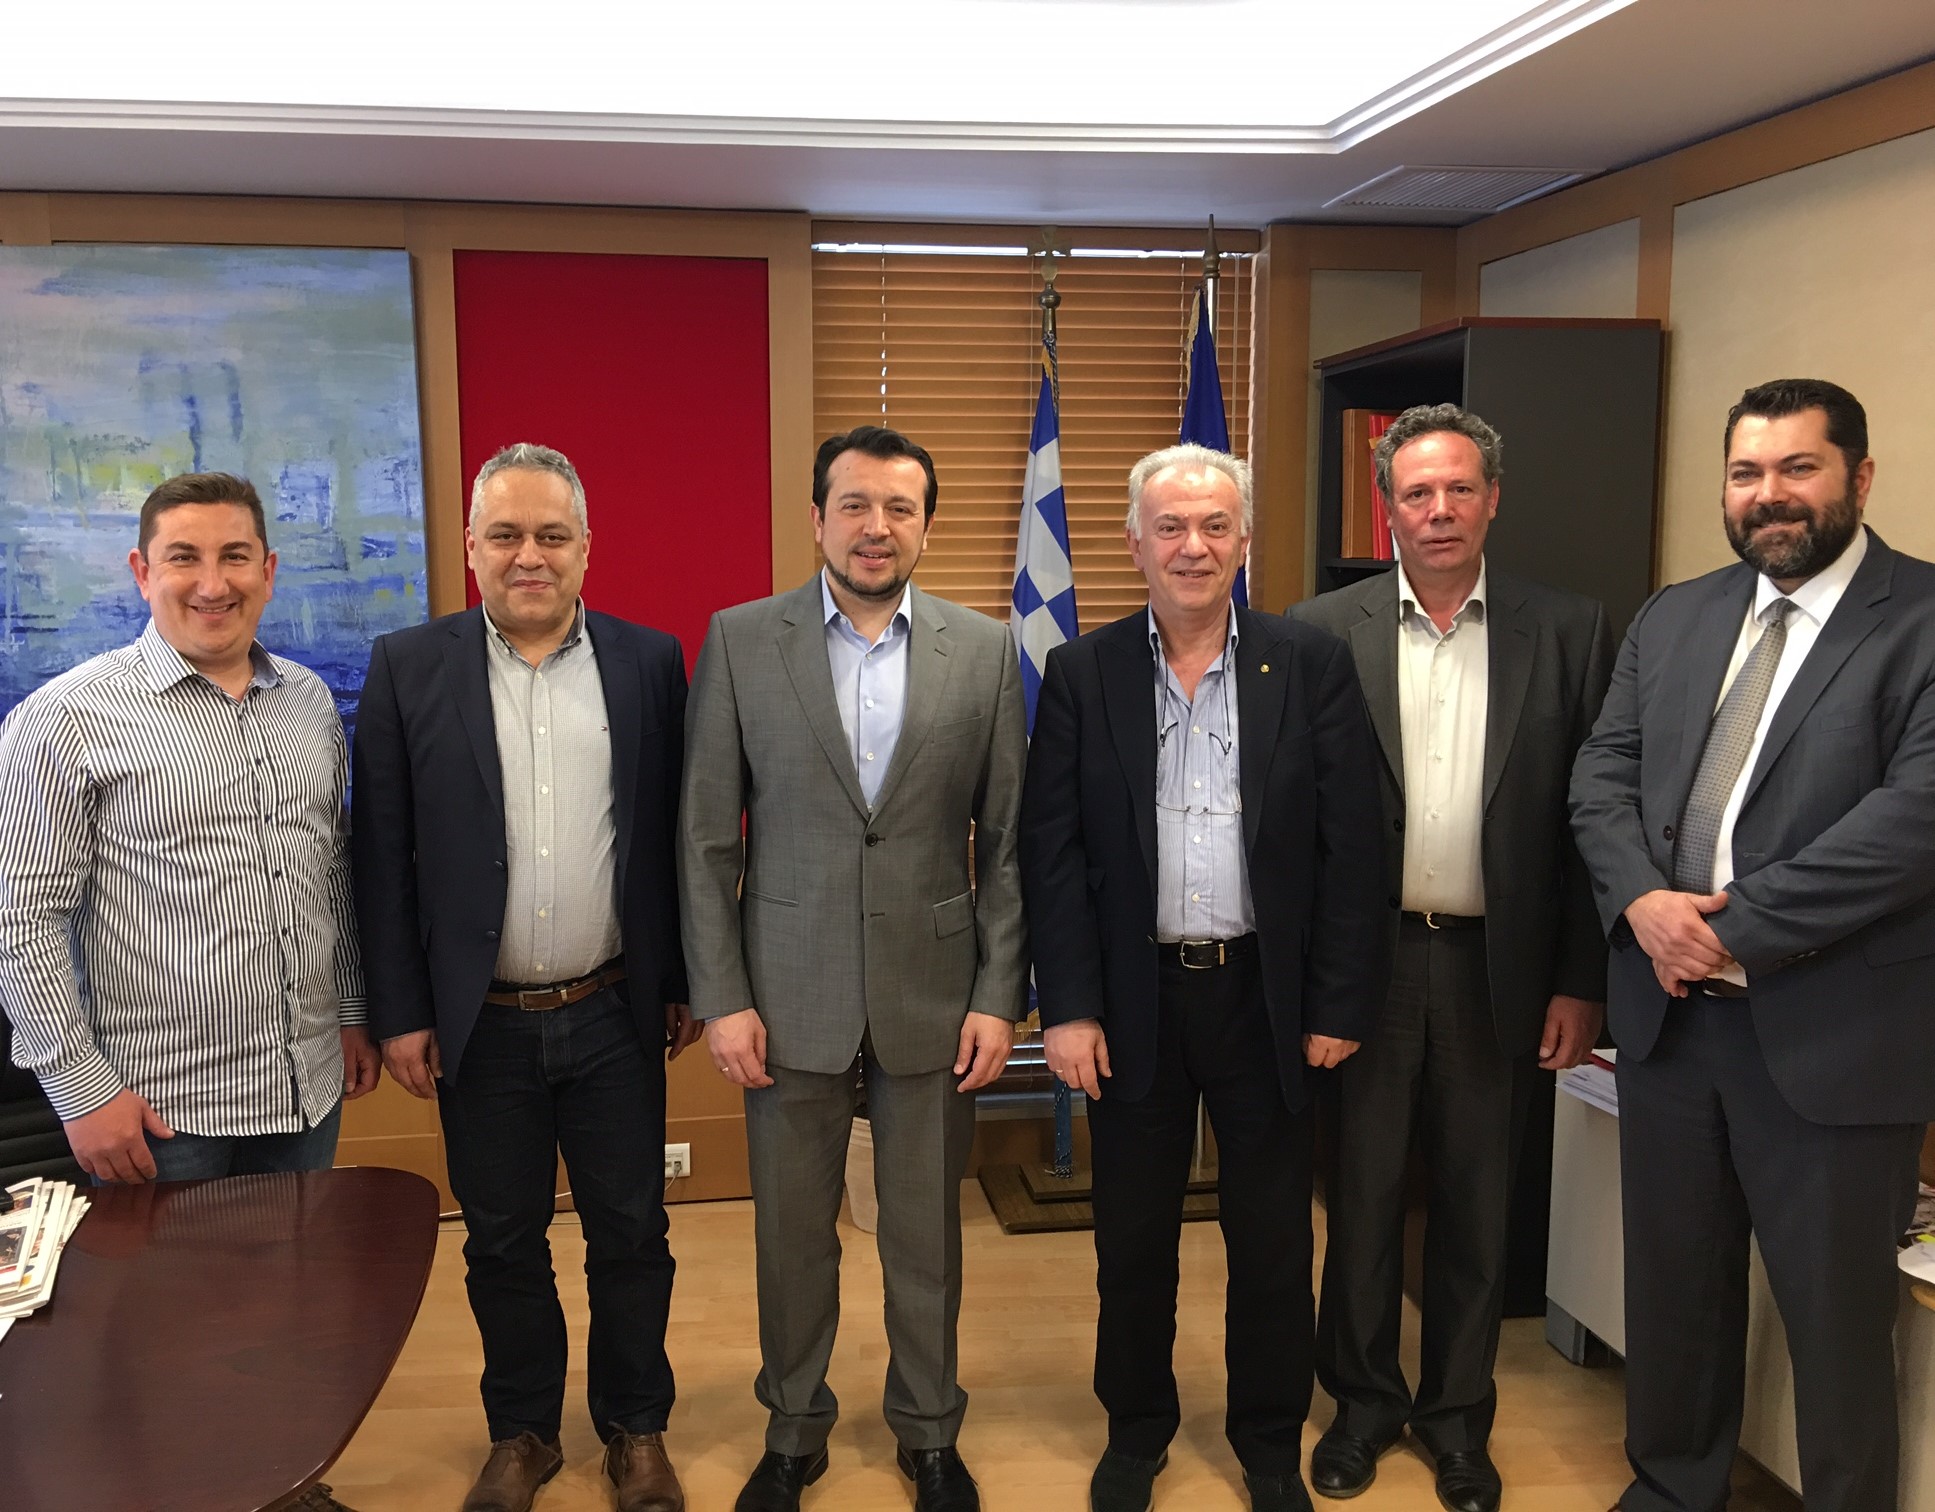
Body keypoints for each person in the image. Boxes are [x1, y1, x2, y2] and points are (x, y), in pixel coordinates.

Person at [1570, 378, 1935, 1512]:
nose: (1767, 494)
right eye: (1745, 472)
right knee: (1674, 1294)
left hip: (1835, 1035)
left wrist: (1726, 930)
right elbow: (1602, 774)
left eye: (1796, 468)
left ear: (1858, 477)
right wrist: (1643, 904)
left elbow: (1913, 822)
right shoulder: (1676, 615)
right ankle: (1672, 1489)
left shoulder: (1922, 618)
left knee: (1835, 1322)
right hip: (1672, 1028)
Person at [1020, 443, 1387, 1512]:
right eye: (1171, 527)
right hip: (1132, 1001)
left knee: (1271, 1241)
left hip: (1265, 998)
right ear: (1135, 542)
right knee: (1132, 1240)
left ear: (1243, 540)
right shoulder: (1082, 672)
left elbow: (1352, 849)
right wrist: (1068, 1008)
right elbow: (1052, 855)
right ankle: (1136, 1429)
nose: (1194, 546)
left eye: (1215, 526)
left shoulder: (1308, 663)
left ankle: (1268, 1440)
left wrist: (1335, 1002)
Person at [679, 425, 1027, 1512]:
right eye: (855, 505)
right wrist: (723, 998)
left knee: (926, 1238)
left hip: (936, 993)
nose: (877, 527)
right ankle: (794, 1429)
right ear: (817, 517)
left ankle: (929, 1432)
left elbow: (1007, 844)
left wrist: (998, 996)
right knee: (792, 1240)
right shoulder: (742, 640)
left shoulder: (985, 650)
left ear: (927, 524)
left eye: (900, 508)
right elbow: (706, 839)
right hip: (786, 995)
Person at [352, 443, 695, 1512]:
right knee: (502, 1242)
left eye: (552, 535)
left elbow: (676, 839)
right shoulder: (408, 666)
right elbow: (381, 856)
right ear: (471, 548)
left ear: (587, 548)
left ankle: (636, 1430)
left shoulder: (650, 662)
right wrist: (400, 1011)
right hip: (480, 1026)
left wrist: (683, 979)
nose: (529, 555)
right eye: (506, 535)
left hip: (613, 1011)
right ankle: (524, 1432)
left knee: (632, 1235)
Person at [1289, 404, 1613, 1512]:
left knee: (1479, 1208)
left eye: (1459, 489)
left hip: (1497, 971)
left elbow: (1591, 821)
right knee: (1362, 1201)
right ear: (1386, 508)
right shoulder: (1319, 630)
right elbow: (1293, 823)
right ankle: (1361, 1408)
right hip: (1364, 969)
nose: (1438, 510)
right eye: (1416, 492)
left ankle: (1457, 1421)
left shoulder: (1567, 630)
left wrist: (1579, 980)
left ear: (1493, 500)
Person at [0, 471, 375, 1184]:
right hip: (160, 1113)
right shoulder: (64, 719)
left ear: (267, 572)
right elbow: (21, 919)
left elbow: (331, 871)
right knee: (173, 1269)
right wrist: (81, 1091)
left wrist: (351, 1011)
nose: (212, 583)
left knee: (300, 1263)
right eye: (183, 557)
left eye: (235, 556)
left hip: (308, 1090)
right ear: (143, 573)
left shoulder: (309, 702)